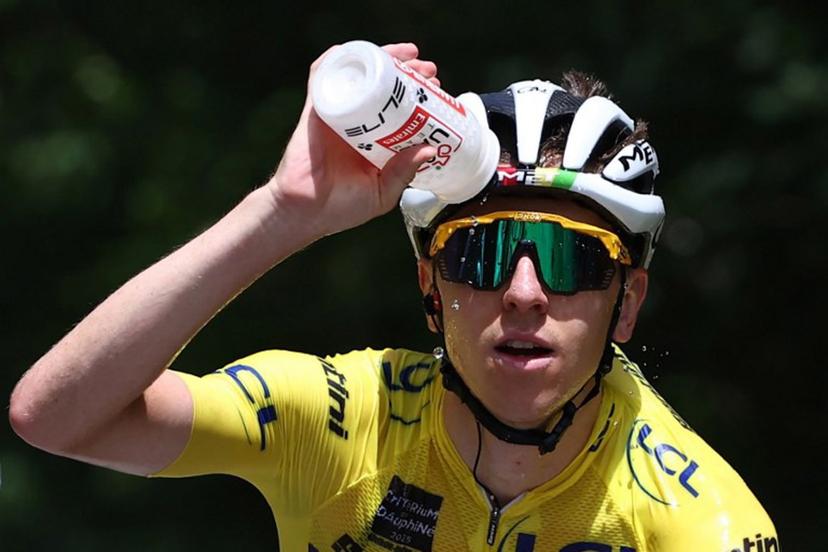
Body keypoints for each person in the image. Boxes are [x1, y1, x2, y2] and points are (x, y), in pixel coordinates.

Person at [9, 43, 777, 551]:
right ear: (429, 286)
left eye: (573, 259)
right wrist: (283, 213)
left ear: (628, 302)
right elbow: (57, 416)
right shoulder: (343, 417)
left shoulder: (700, 523)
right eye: (480, 254)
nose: (522, 293)